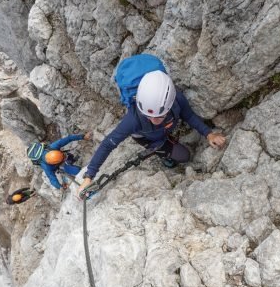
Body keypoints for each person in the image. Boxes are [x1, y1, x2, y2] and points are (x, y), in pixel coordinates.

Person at [78, 71, 226, 198]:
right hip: (148, 138)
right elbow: (108, 144)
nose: (154, 120)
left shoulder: (176, 100)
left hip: (164, 130)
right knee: (183, 156)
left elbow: (189, 116)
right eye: (149, 116)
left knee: (184, 155)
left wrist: (208, 134)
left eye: (160, 115)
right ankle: (162, 151)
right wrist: (89, 176)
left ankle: (166, 143)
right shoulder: (133, 120)